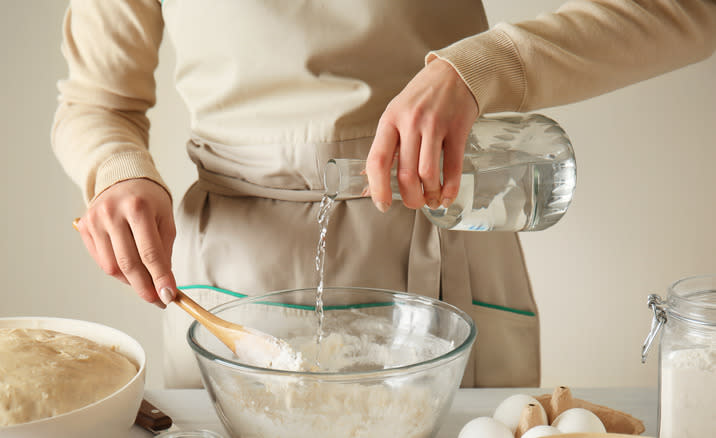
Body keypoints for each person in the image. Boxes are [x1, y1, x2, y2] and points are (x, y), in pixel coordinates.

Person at [53, 0, 715, 388]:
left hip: (443, 240)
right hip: (233, 278)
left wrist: (485, 66)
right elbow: (95, 102)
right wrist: (117, 172)